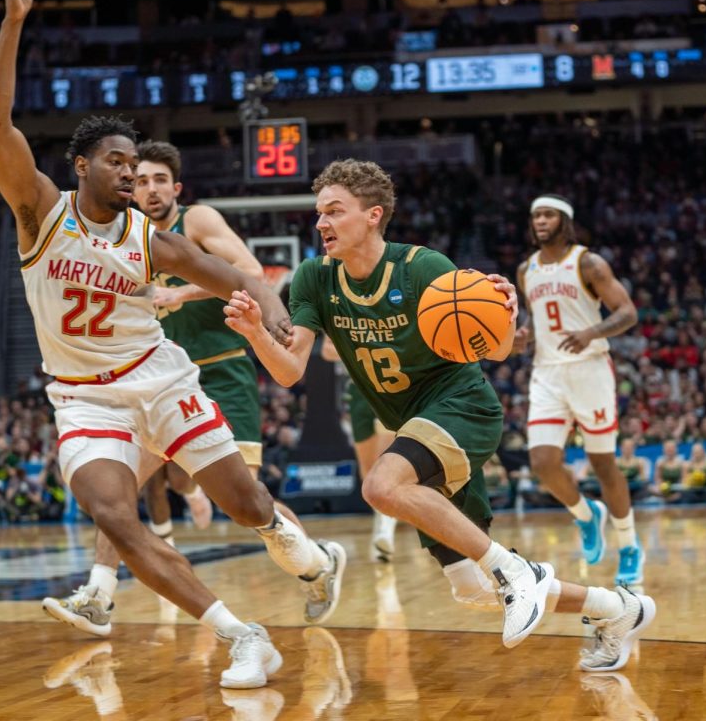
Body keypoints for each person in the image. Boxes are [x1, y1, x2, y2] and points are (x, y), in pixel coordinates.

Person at [0, 0, 342, 689]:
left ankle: (308, 554)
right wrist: (15, 23)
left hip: (160, 377)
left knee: (247, 505)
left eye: (134, 163)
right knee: (115, 516)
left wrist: (271, 317)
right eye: (114, 161)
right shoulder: (40, 213)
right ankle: (243, 636)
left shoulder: (153, 241)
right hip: (83, 396)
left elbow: (240, 276)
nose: (126, 172)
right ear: (79, 165)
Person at [225, 159, 655, 671]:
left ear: (372, 215)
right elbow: (292, 370)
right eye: (319, 213)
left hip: (461, 405)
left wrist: (506, 314)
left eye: (334, 212)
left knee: (380, 486)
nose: (321, 223)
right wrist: (255, 334)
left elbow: (494, 351)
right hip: (415, 427)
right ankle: (618, 609)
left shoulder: (423, 268)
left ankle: (517, 570)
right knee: (472, 589)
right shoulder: (315, 279)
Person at [44, 139, 342, 634]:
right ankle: (99, 593)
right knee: (116, 489)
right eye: (141, 180)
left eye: (161, 180)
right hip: (151, 378)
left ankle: (317, 563)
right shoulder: (120, 236)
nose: (151, 188)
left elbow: (250, 271)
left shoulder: (196, 221)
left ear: (176, 188)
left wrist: (178, 291)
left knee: (245, 498)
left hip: (220, 368)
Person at [514, 195, 644, 585]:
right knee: (542, 463)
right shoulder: (526, 270)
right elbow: (538, 319)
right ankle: (587, 516)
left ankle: (629, 546)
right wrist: (524, 334)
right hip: (548, 372)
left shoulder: (588, 262)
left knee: (604, 464)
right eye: (536, 214)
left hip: (590, 370)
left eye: (548, 214)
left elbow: (627, 313)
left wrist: (591, 332)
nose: (540, 220)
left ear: (565, 221)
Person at [323, 336, 398, 560]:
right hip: (358, 390)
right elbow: (327, 350)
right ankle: (381, 522)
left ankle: (386, 531)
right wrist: (361, 349)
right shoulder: (341, 307)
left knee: (385, 463)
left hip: (391, 384)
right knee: (367, 472)